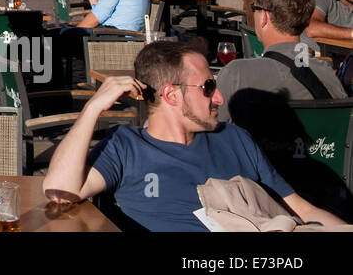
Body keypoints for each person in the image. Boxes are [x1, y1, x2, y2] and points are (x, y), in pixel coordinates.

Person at [43, 40, 345, 231]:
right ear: (171, 95)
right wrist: (93, 107)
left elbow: (300, 208)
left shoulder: (235, 138)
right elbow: (60, 191)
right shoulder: (126, 146)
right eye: (208, 88)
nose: (219, 99)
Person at [218, 0, 345, 124]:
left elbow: (215, 131)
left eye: (254, 8)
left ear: (264, 16)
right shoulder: (328, 75)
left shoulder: (237, 74)